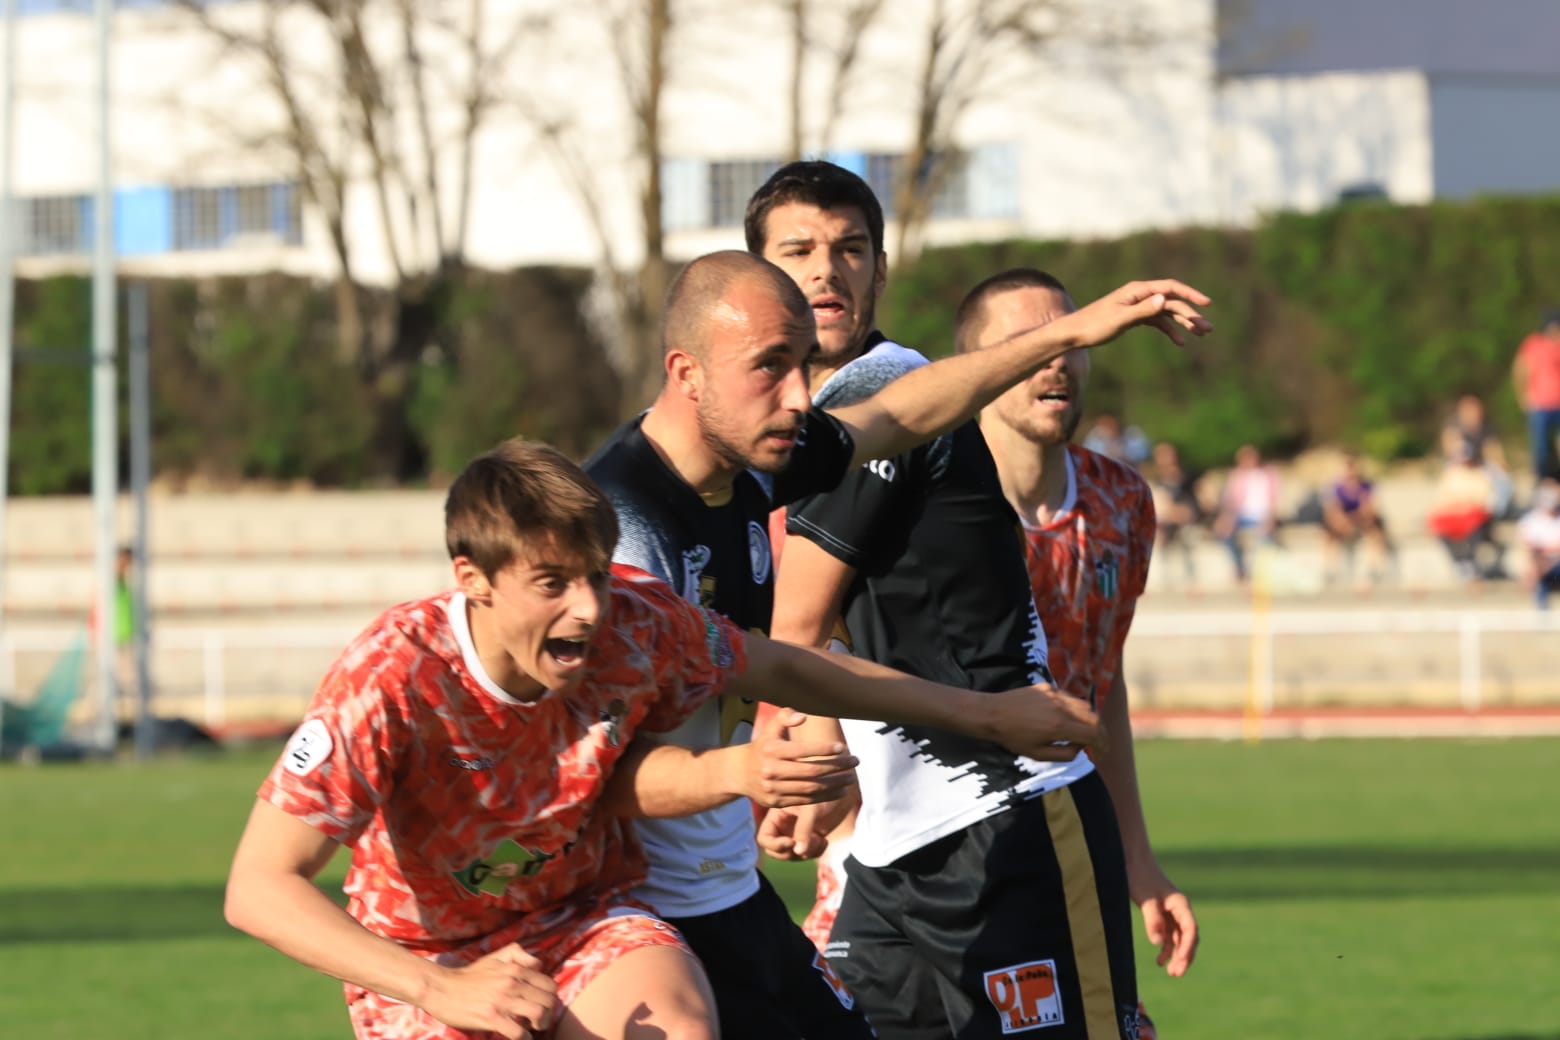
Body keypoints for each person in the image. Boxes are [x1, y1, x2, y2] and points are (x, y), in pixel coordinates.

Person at [224, 438, 1112, 1040]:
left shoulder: (636, 623)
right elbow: (259, 888)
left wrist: (985, 715)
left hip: (578, 919)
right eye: (551, 584)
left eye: (595, 578)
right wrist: (439, 988)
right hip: (427, 958)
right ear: (474, 579)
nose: (586, 609)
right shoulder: (392, 677)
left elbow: (791, 670)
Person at [585, 236, 1209, 1039]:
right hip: (639, 916)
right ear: (686, 371)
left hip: (732, 892)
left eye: (805, 364)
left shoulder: (751, 456)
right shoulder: (618, 532)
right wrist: (746, 769)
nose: (802, 396)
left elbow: (900, 412)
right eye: (771, 366)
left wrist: (1066, 332)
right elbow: (584, 781)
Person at [757, 161, 1210, 1040]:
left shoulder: (883, 396)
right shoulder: (791, 432)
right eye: (800, 251)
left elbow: (796, 629)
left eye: (851, 249)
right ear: (756, 281)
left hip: (1009, 832)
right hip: (891, 854)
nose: (827, 270)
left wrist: (796, 734)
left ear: (880, 271)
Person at [1426, 440, 1503, 583]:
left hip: (1473, 514)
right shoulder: (1450, 474)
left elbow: (1486, 498)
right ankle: (1461, 561)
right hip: (1454, 514)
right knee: (1438, 524)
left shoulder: (1481, 473)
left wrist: (1468, 503)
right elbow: (1441, 498)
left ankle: (1469, 560)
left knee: (1475, 525)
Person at [1319, 451, 1394, 589]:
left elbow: (1370, 510)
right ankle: (1329, 570)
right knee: (1328, 536)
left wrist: (1357, 521)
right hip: (1342, 523)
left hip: (1362, 522)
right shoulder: (1336, 487)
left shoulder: (1367, 486)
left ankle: (1376, 569)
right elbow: (1332, 511)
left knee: (1375, 535)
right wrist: (1344, 524)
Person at [1211, 443, 1281, 585]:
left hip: (1263, 516)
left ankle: (1259, 574)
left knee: (1264, 540)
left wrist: (1271, 517)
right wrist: (1226, 518)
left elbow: (1276, 498)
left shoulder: (1269, 474)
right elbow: (1230, 501)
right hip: (1242, 516)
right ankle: (1240, 568)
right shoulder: (1237, 475)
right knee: (1224, 533)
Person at [1512, 310, 1560, 481]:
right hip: (1540, 405)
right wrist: (1522, 395)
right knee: (1540, 448)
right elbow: (1520, 369)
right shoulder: (1534, 344)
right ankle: (1542, 481)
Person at [1147, 441, 1202, 589]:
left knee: (1187, 534)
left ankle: (1192, 579)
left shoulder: (1188, 477)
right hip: (1165, 520)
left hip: (1187, 518)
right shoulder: (1156, 480)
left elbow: (1195, 503)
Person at [1516, 480, 1560, 609]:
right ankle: (1542, 612)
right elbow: (1528, 547)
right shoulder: (1529, 520)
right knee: (1537, 569)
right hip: (1541, 564)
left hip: (1554, 563)